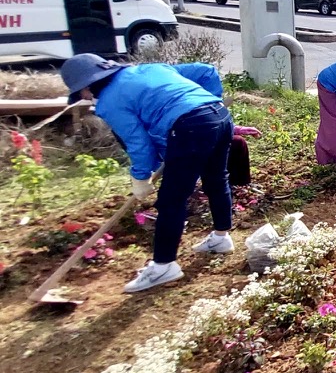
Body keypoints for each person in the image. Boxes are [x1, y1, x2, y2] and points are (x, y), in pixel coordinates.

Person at [60, 54, 235, 293]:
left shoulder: (109, 101)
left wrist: (141, 176)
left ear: (87, 86)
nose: (84, 97)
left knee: (172, 199)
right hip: (219, 115)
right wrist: (210, 103)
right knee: (216, 178)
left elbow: (137, 142)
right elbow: (207, 71)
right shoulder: (150, 68)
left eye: (81, 92)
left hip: (190, 126)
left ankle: (163, 266)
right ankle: (221, 237)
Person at [171, 63, 260, 186]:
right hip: (180, 142)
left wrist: (236, 129)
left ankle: (238, 185)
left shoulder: (206, 78)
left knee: (237, 143)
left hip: (202, 136)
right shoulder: (171, 101)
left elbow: (212, 120)